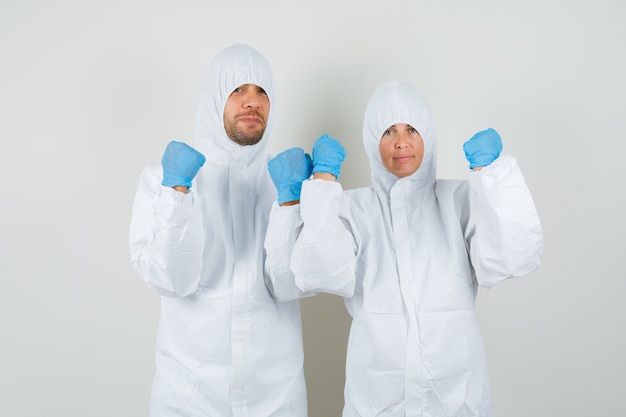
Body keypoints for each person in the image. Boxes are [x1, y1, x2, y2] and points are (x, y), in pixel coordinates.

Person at [264, 81, 543, 416]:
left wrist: (493, 176)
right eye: (388, 132)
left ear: (428, 134)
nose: (401, 143)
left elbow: (511, 257)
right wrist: (323, 183)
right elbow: (321, 273)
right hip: (380, 396)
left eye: (412, 129)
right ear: (371, 142)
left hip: (455, 393)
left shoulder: (458, 201)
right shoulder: (353, 209)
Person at [129, 44, 307, 417]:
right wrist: (177, 194)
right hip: (188, 395)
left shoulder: (287, 181)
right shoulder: (163, 181)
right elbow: (171, 280)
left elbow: (290, 285)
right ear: (214, 98)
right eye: (237, 90)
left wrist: (291, 204)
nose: (252, 102)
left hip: (275, 396)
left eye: (262, 92)